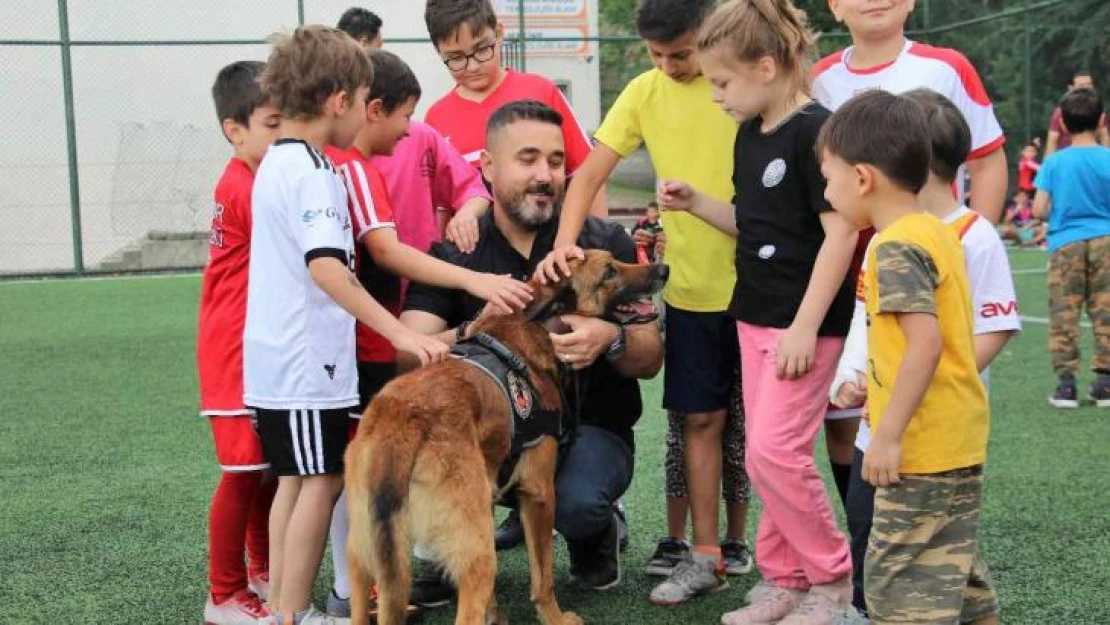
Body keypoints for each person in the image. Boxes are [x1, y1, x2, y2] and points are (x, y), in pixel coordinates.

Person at [399, 100, 665, 603]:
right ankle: (443, 541)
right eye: (528, 159)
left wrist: (608, 338)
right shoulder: (458, 253)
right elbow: (408, 354)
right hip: (485, 435)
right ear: (489, 167)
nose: (545, 175)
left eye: (557, 161)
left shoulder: (602, 241)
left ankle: (595, 532)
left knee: (577, 503)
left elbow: (650, 359)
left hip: (589, 429)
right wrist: (474, 331)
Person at [534, 0, 752, 592]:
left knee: (771, 434)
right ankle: (705, 555)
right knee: (699, 420)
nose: (670, 65)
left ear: (708, 36)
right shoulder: (643, 90)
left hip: (766, 290)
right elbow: (591, 172)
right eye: (657, 55)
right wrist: (565, 244)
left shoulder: (742, 82)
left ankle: (790, 563)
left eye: (680, 53)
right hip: (693, 291)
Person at [653, 1, 860, 620]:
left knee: (777, 453)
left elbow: (841, 234)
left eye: (722, 81)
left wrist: (804, 326)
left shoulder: (816, 132)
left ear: (766, 66)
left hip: (805, 328)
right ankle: (785, 579)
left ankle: (831, 578)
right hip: (754, 319)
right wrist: (695, 204)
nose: (716, 95)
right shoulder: (750, 134)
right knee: (765, 458)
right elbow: (752, 225)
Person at [243, 26, 448, 625]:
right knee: (322, 480)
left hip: (279, 361)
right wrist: (403, 332)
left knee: (293, 480)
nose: (366, 111)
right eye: (363, 98)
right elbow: (329, 267)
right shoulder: (312, 171)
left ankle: (282, 608)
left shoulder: (280, 162)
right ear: (340, 102)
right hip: (308, 364)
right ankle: (293, 613)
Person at [320, 49, 531, 619]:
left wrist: (469, 207)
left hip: (360, 339)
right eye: (403, 116)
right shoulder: (350, 167)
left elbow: (468, 188)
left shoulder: (332, 163)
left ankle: (353, 591)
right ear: (370, 107)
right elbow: (386, 251)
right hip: (360, 340)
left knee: (345, 474)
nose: (412, 129)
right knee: (336, 477)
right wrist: (473, 280)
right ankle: (350, 590)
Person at [830, 88, 1020, 616]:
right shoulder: (938, 233)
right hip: (957, 435)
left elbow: (926, 343)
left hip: (918, 444)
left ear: (863, 178)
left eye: (829, 177)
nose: (827, 190)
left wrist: (887, 435)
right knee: (953, 564)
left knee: (899, 583)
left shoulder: (892, 246)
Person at [198, 60, 281, 625]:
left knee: (267, 467)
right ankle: (223, 594)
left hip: (258, 346)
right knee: (243, 472)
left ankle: (264, 571)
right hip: (234, 351)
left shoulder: (252, 178)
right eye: (274, 124)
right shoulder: (244, 185)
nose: (285, 137)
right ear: (236, 130)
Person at [813, 0, 1008, 224]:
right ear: (834, 5)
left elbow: (986, 163)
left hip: (932, 248)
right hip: (846, 254)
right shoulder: (816, 80)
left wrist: (971, 239)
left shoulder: (948, 68)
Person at [422, 0, 607, 216]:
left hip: (549, 244)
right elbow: (440, 206)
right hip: (473, 248)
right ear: (438, 52)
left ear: (499, 34)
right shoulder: (436, 119)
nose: (472, 66)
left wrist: (598, 244)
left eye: (481, 49)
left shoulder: (541, 92)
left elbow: (587, 173)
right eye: (456, 58)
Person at [1032, 86, 1110, 408]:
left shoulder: (1054, 163)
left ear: (1062, 124)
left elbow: (1037, 210)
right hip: (1107, 241)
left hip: (1066, 243)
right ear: (1101, 120)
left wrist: (1062, 210)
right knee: (1105, 309)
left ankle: (1066, 385)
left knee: (1065, 311)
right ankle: (1105, 382)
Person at [1044, 71, 1109, 157]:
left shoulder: (1097, 110)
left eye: (1088, 85)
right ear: (1071, 88)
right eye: (1081, 86)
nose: (1085, 89)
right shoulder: (1060, 112)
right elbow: (1052, 142)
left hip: (1092, 158)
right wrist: (1048, 165)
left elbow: (1104, 137)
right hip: (1067, 160)